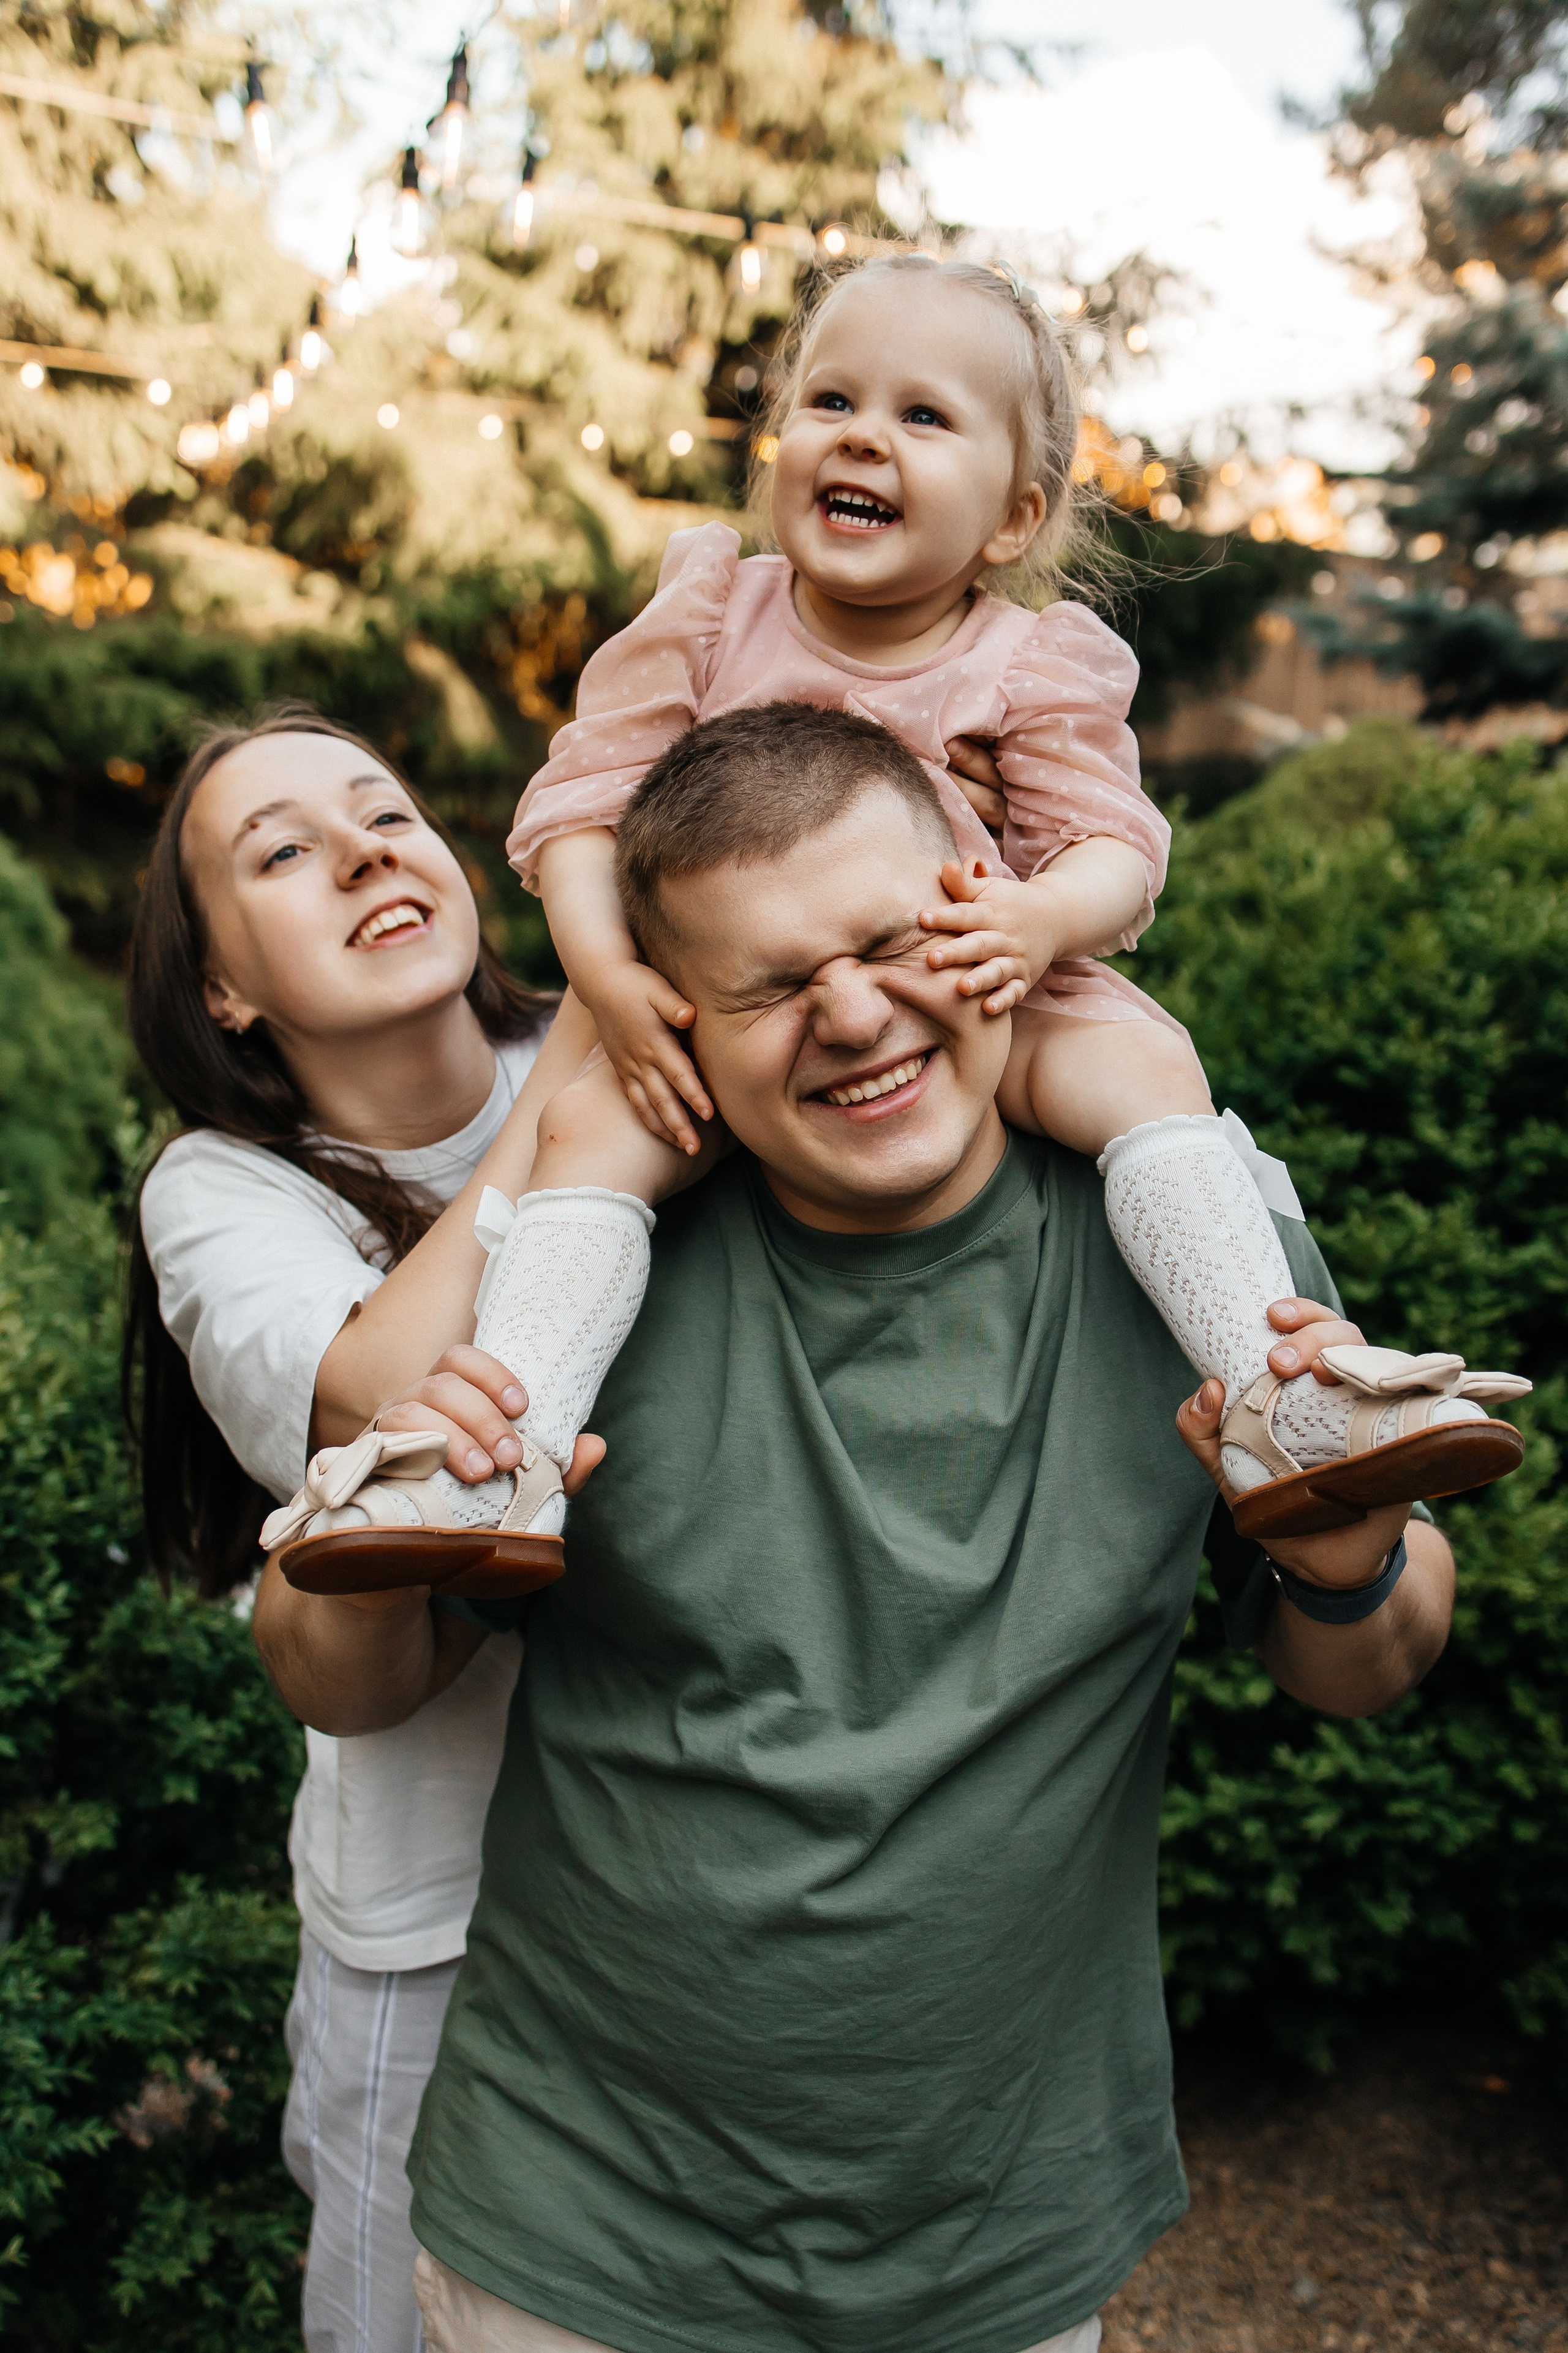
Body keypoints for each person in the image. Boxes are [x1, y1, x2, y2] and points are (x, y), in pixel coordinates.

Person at [254, 701, 1494, 2353]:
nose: (853, 1015)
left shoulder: (1189, 1231)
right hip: (583, 2241)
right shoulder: (585, 1277)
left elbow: (1377, 1656)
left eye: (891, 939)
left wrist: (1352, 1570)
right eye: (771, 988)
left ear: (979, 901)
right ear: (679, 1020)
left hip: (1004, 2237)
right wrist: (379, 1533)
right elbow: (342, 1677)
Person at [477, 251, 1517, 1541]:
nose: (863, 437)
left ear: (1015, 519)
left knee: (1145, 1070)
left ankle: (1270, 1391)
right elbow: (580, 802)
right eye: (829, 400)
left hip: (979, 985)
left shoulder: (1030, 664)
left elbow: (1111, 843)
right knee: (585, 1140)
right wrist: (605, 973)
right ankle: (504, 1452)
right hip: (725, 1019)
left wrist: (1036, 921)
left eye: (923, 416)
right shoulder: (704, 613)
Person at [125, 706, 603, 2352]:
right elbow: (369, 1394)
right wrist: (594, 1095)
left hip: (701, 1877)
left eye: (384, 809)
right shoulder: (225, 1191)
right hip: (435, 1923)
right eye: (280, 849)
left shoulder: (609, 1050)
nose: (362, 848)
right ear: (224, 991)